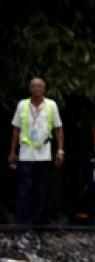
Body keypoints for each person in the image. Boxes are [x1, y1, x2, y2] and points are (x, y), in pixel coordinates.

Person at [8, 77, 64, 225]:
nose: (36, 89)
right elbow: (16, 129)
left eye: (39, 86)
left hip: (43, 154)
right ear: (30, 89)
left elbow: (58, 128)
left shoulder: (51, 105)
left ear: (44, 89)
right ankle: (22, 221)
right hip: (25, 154)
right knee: (24, 188)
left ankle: (37, 220)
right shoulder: (22, 105)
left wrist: (60, 150)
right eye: (33, 86)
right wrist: (12, 151)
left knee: (40, 188)